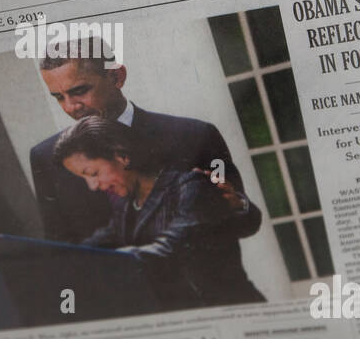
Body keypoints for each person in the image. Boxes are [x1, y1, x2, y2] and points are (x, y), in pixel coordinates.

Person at [29, 37, 253, 243]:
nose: (70, 107)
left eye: (79, 91)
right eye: (59, 97)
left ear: (117, 77)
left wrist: (236, 206)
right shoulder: (46, 158)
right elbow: (61, 248)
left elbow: (244, 224)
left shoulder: (195, 135)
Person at [53, 116, 264, 310]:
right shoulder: (128, 204)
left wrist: (99, 267)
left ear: (123, 156)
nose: (92, 186)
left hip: (233, 315)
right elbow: (100, 242)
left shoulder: (190, 186)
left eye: (92, 173)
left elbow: (170, 249)